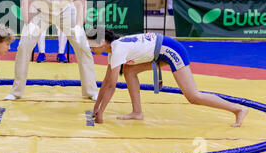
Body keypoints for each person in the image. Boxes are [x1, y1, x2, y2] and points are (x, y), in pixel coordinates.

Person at [87, 28, 248, 127]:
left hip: (170, 49)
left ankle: (238, 109)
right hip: (160, 50)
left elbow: (111, 86)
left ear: (101, 41)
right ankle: (137, 112)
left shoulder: (118, 49)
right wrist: (96, 108)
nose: (89, 47)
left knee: (193, 96)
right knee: (129, 70)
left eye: (90, 43)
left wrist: (101, 113)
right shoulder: (115, 50)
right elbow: (107, 83)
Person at [4, 0, 99, 101]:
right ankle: (16, 92)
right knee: (24, 45)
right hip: (41, 10)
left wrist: (79, 26)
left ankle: (91, 91)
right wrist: (28, 23)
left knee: (83, 46)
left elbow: (81, 3)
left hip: (66, 11)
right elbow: (27, 1)